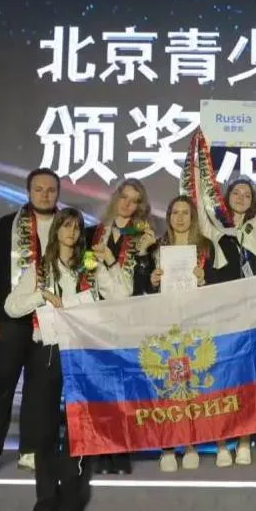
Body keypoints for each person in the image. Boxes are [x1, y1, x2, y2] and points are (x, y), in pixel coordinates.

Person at [3, 207, 131, 511]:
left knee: (79, 426)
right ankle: (46, 497)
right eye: (66, 226)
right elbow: (11, 306)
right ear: (56, 231)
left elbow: (123, 294)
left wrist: (109, 261)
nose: (71, 233)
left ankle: (71, 497)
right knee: (45, 428)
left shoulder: (90, 266)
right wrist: (41, 296)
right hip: (48, 351)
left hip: (82, 351)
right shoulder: (40, 269)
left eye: (76, 227)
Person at [183, 129, 256, 466]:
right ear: (225, 198)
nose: (241, 197)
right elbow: (198, 199)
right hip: (220, 315)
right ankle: (221, 443)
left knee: (247, 380)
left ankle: (244, 441)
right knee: (221, 379)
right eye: (236, 192)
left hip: (253, 315)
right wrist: (200, 155)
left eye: (247, 193)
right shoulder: (213, 230)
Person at [0, 168, 60, 476]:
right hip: (11, 320)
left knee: (41, 389)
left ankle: (31, 450)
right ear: (29, 192)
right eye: (39, 189)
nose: (45, 195)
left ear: (58, 193)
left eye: (51, 190)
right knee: (1, 385)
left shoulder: (69, 227)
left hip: (50, 323)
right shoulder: (7, 226)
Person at [84, 178, 157, 474]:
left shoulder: (144, 239)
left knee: (124, 386)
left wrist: (144, 254)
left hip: (128, 319)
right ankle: (101, 449)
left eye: (134, 200)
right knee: (98, 385)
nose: (127, 204)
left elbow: (144, 286)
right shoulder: (91, 234)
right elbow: (84, 273)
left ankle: (122, 449)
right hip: (94, 318)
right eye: (124, 197)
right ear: (115, 198)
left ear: (140, 206)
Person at [144, 194, 219, 471]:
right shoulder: (156, 248)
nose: (179, 217)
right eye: (174, 212)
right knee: (168, 385)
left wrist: (204, 279)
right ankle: (167, 446)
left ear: (193, 217)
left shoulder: (206, 247)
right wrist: (152, 281)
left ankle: (190, 443)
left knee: (191, 385)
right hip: (165, 325)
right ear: (168, 217)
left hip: (195, 325)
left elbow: (220, 288)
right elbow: (142, 289)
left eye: (185, 212)